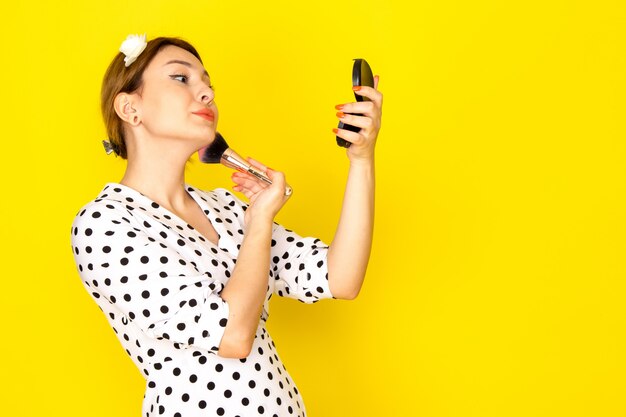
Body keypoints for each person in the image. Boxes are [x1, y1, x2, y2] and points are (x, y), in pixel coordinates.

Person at [71, 34, 382, 417]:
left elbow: (341, 277)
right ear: (130, 107)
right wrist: (259, 224)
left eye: (208, 84)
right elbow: (232, 336)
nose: (206, 94)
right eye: (182, 79)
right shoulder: (105, 224)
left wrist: (362, 159)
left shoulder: (225, 208)